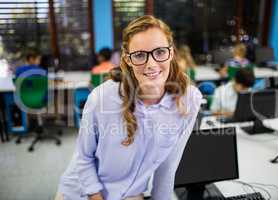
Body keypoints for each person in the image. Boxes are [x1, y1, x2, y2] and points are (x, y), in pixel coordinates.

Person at [57, 15, 202, 200]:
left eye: (160, 52)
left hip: (130, 193)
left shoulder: (189, 100)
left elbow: (168, 166)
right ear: (128, 59)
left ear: (171, 52)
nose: (151, 64)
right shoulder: (102, 98)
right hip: (82, 191)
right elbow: (84, 158)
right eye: (140, 55)